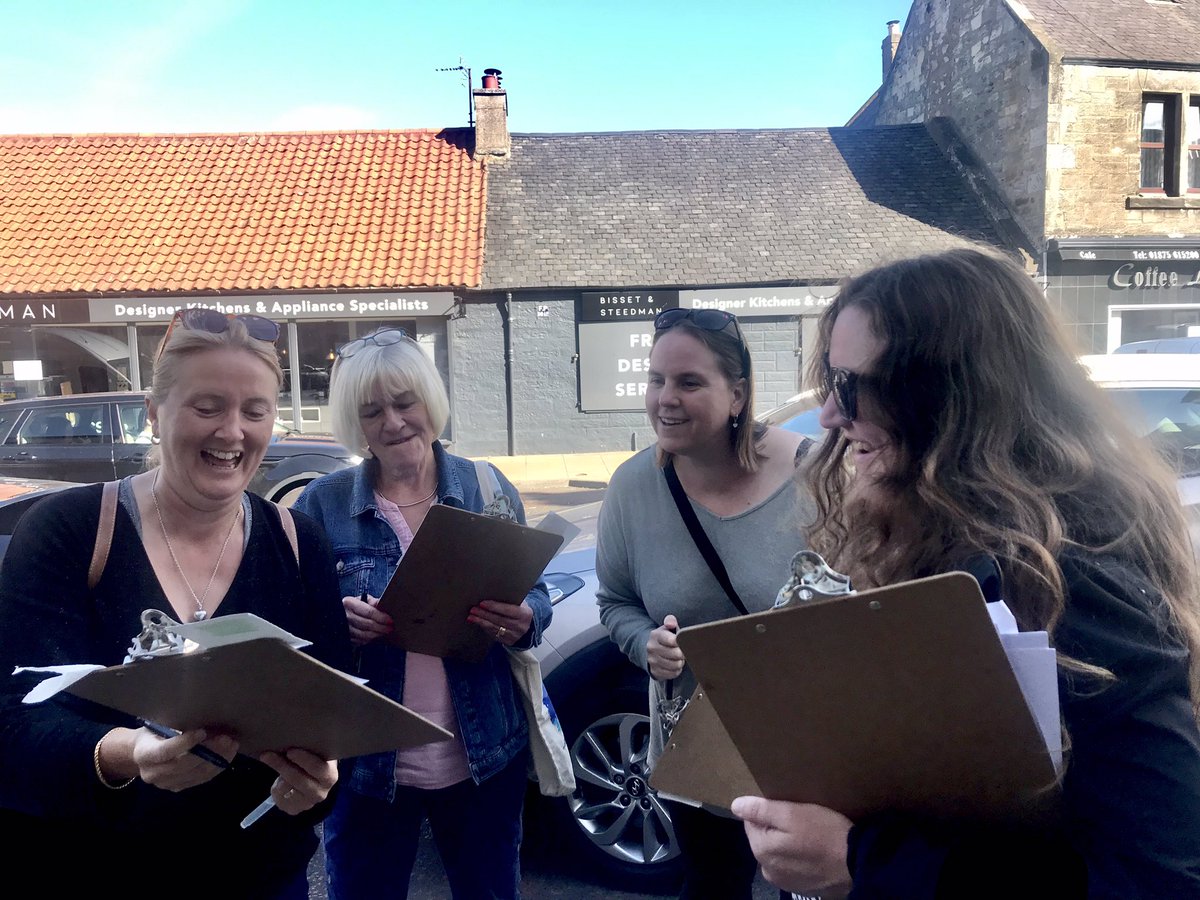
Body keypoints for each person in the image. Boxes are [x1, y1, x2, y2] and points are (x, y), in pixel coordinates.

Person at [730, 247, 1200, 898]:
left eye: (849, 386)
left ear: (949, 398)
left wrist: (860, 860)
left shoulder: (1075, 579)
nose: (833, 417)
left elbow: (1156, 880)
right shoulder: (943, 543)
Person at [0, 308, 353, 899]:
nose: (232, 432)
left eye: (254, 411)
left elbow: (337, 715)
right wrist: (127, 754)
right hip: (91, 870)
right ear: (154, 414)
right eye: (207, 406)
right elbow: (12, 720)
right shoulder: (68, 531)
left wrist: (317, 784)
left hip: (261, 876)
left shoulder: (298, 543)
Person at [293, 327, 553, 900]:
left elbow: (537, 594)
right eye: (371, 411)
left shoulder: (486, 487)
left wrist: (525, 619)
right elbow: (295, 631)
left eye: (404, 402)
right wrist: (333, 624)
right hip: (368, 769)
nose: (392, 422)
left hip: (483, 757)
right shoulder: (321, 505)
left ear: (429, 401)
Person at [597, 307, 815, 900]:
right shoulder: (633, 486)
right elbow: (615, 602)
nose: (665, 399)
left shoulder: (815, 474)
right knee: (713, 886)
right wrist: (645, 643)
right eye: (656, 380)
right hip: (698, 748)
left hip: (810, 743)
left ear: (738, 394)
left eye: (689, 382)